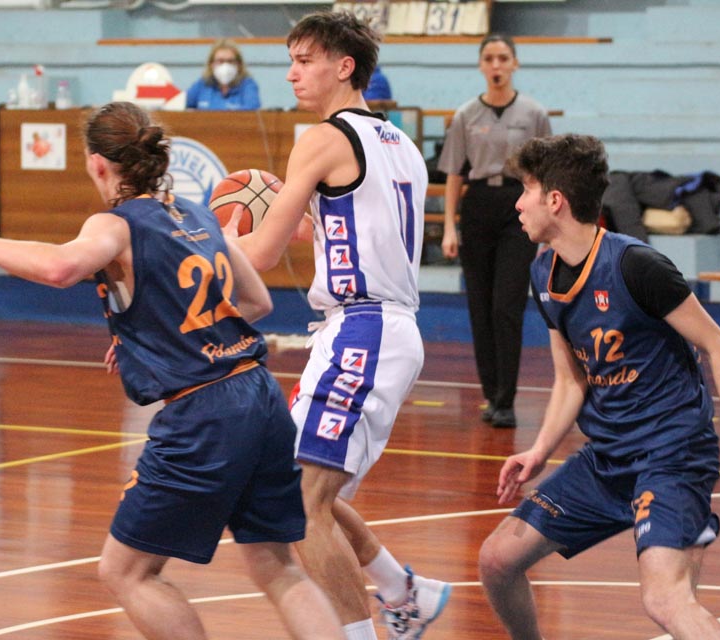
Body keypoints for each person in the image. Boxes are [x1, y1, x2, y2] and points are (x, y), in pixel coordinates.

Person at [0, 101, 343, 640]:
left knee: (126, 572)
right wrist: (156, 334)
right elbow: (257, 302)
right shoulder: (196, 212)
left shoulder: (115, 224)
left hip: (204, 414)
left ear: (97, 162)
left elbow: (60, 267)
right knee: (278, 566)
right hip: (259, 395)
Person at [478, 133, 720, 639]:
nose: (518, 203)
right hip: (607, 459)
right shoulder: (543, 271)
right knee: (497, 560)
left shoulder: (636, 265)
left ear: (556, 200)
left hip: (672, 454)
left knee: (664, 599)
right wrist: (539, 450)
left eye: (526, 190)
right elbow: (571, 378)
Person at [230, 11, 451, 640]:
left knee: (301, 501)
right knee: (303, 486)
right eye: (291, 61)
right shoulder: (399, 142)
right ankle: (404, 590)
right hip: (381, 328)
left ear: (344, 67)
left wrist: (200, 249)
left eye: (305, 60)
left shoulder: (323, 139)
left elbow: (262, 254)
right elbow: (348, 226)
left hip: (363, 329)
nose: (292, 73)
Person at [436, 33, 551, 428]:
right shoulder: (466, 115)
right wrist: (449, 227)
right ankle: (491, 394)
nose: (497, 65)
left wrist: (546, 225)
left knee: (507, 305)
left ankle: (507, 399)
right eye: (489, 58)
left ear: (515, 63)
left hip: (519, 206)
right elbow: (454, 174)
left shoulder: (534, 114)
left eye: (503, 58)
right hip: (478, 205)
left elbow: (545, 174)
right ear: (481, 65)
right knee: (480, 306)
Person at [185, 38, 261, 111]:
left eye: (230, 61)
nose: (225, 66)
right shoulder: (202, 84)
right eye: (220, 61)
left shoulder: (247, 85)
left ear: (238, 64)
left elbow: (252, 110)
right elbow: (181, 104)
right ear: (211, 64)